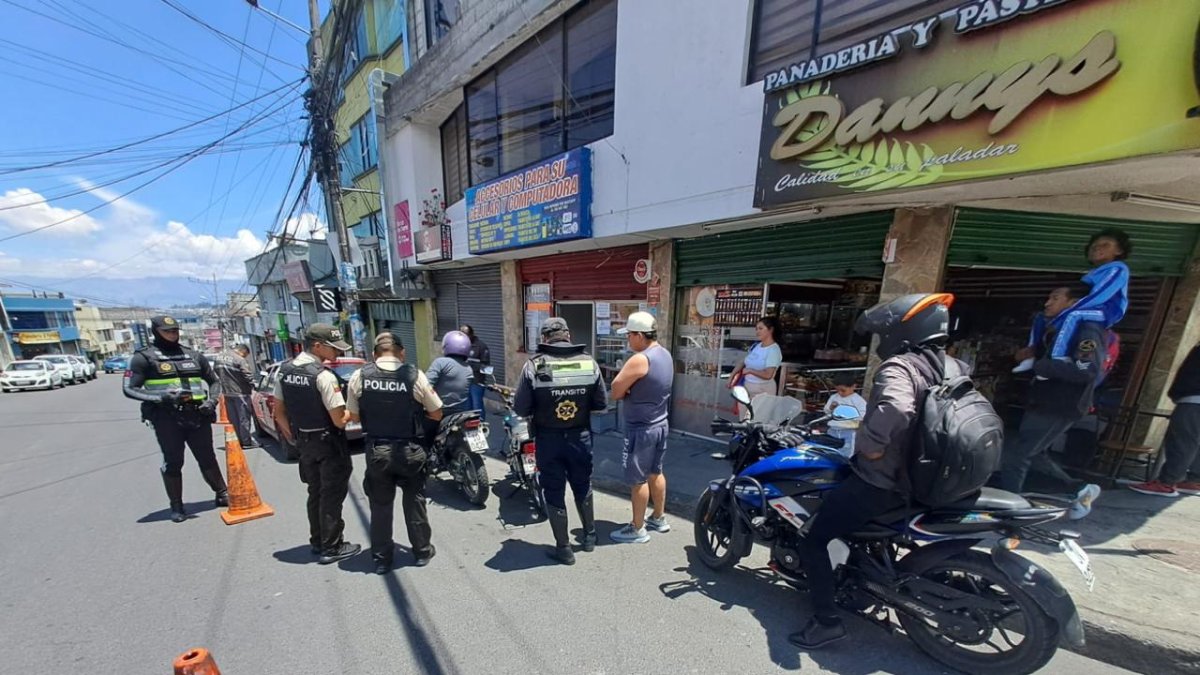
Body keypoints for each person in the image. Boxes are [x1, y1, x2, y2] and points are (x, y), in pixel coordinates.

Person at [789, 293, 958, 649]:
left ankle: (826, 621)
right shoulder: (953, 367)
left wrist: (871, 444)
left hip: (885, 481)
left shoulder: (901, 367)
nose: (881, 343)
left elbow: (895, 407)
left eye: (885, 335)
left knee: (814, 538)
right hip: (927, 477)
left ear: (906, 331)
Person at [996, 284, 1103, 520]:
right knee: (1034, 453)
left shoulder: (1087, 330)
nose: (1047, 303)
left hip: (1060, 404)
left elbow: (1087, 368)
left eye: (1054, 298)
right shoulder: (1059, 328)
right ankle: (1078, 489)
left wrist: (1042, 365)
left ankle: (1007, 507)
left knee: (1018, 454)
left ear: (1073, 302)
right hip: (1044, 400)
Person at [346, 333, 444, 573]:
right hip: (411, 450)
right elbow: (437, 412)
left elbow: (355, 416)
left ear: (374, 354)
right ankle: (421, 552)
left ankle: (381, 559)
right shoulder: (414, 375)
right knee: (415, 501)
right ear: (402, 353)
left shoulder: (360, 376)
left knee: (380, 506)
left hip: (378, 451)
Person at [514, 317, 608, 565]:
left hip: (548, 440)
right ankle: (589, 538)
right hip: (580, 438)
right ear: (567, 335)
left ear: (544, 338)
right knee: (582, 484)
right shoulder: (589, 363)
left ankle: (564, 549)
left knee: (553, 490)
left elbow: (521, 408)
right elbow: (601, 404)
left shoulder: (533, 366)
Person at [123, 315, 227, 523]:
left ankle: (222, 493)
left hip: (197, 413)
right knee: (173, 461)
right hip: (166, 416)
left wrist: (212, 401)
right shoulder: (143, 358)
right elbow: (129, 389)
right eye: (167, 331)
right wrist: (160, 397)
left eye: (175, 330)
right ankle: (177, 506)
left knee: (206, 456)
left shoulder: (194, 356)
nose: (173, 334)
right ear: (156, 331)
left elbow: (214, 383)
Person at [274, 323, 361, 565]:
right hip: (328, 443)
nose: (338, 353)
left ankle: (317, 541)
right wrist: (355, 411)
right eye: (334, 348)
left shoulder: (285, 371)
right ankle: (332, 547)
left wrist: (293, 437)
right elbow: (339, 421)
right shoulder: (322, 376)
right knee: (331, 495)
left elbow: (278, 412)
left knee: (315, 493)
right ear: (317, 346)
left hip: (305, 442)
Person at [1014, 228, 1131, 374]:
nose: (1097, 248)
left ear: (1119, 251)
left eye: (1105, 245)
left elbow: (1099, 295)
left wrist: (1069, 311)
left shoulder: (1118, 269)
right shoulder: (1092, 274)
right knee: (1042, 317)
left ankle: (1057, 358)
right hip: (1087, 308)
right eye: (1094, 245)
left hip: (1106, 310)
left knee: (1073, 316)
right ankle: (1030, 355)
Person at [609, 311, 673, 544]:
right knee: (656, 471)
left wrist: (627, 390)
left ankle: (637, 528)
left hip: (642, 428)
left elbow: (616, 390)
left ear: (639, 335)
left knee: (638, 479)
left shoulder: (640, 359)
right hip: (660, 423)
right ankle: (659, 517)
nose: (628, 340)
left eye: (629, 335)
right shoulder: (664, 354)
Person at [1129, 342, 1200, 497]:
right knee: (1193, 441)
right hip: (1193, 398)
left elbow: (1190, 374)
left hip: (1193, 399)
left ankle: (1166, 483)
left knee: (1182, 442)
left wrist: (1178, 392)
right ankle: (1194, 479)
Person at [728, 316, 783, 419]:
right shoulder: (756, 346)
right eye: (756, 329)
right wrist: (732, 377)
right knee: (743, 419)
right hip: (747, 388)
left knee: (757, 420)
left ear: (771, 330)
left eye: (761, 328)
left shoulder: (773, 350)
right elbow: (743, 362)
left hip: (763, 390)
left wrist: (750, 371)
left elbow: (768, 375)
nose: (757, 331)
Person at [212, 344, 258, 449]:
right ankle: (246, 442)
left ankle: (238, 440)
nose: (245, 357)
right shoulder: (239, 359)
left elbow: (215, 371)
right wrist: (254, 385)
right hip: (241, 392)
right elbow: (248, 375)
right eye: (245, 355)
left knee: (233, 418)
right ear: (242, 351)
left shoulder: (219, 357)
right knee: (243, 418)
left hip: (227, 392)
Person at [427, 331, 475, 416]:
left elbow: (426, 385)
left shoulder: (440, 362)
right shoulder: (469, 369)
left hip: (440, 410)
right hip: (461, 412)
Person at [823, 372, 867, 457]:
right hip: (832, 430)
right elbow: (826, 411)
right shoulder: (834, 397)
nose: (840, 393)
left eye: (843, 390)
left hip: (848, 431)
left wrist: (844, 411)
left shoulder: (857, 400)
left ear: (854, 386)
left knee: (846, 454)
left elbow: (863, 415)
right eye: (837, 390)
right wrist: (830, 408)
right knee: (829, 452)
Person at [460, 324, 491, 415]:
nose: (463, 337)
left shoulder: (481, 346)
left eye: (465, 335)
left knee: (477, 406)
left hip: (476, 382)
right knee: (466, 407)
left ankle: (481, 426)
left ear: (471, 334)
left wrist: (470, 365)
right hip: (464, 382)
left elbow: (486, 368)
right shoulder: (460, 346)